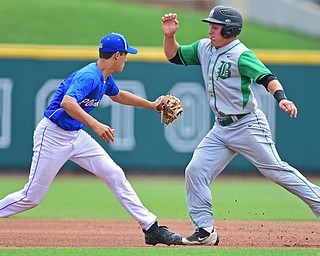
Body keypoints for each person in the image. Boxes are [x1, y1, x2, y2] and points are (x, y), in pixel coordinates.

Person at [0, 32, 182, 246]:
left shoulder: (104, 77)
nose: (127, 58)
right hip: (53, 135)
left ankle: (151, 228)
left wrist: (152, 105)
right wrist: (95, 125)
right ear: (116, 55)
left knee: (114, 173)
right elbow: (67, 103)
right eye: (126, 54)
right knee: (32, 197)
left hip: (75, 136)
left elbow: (118, 95)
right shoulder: (90, 76)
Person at [162, 5, 320, 246]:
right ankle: (205, 231)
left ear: (230, 30)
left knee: (275, 170)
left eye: (216, 27)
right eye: (211, 26)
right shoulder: (204, 48)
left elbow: (267, 78)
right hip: (221, 128)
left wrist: (282, 98)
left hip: (247, 124)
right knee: (195, 171)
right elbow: (174, 56)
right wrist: (169, 36)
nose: (211, 31)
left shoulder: (241, 54)